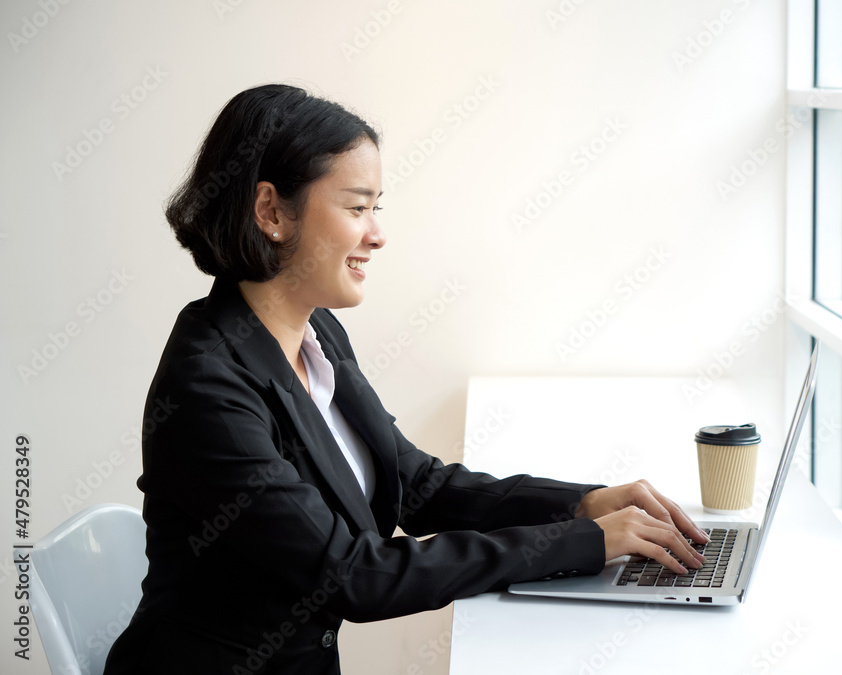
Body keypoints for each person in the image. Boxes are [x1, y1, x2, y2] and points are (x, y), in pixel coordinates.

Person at [103, 83, 708, 675]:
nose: (377, 233)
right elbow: (353, 575)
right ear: (270, 212)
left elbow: (418, 486)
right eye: (357, 207)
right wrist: (584, 543)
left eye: (377, 208)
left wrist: (581, 504)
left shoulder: (316, 338)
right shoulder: (207, 387)